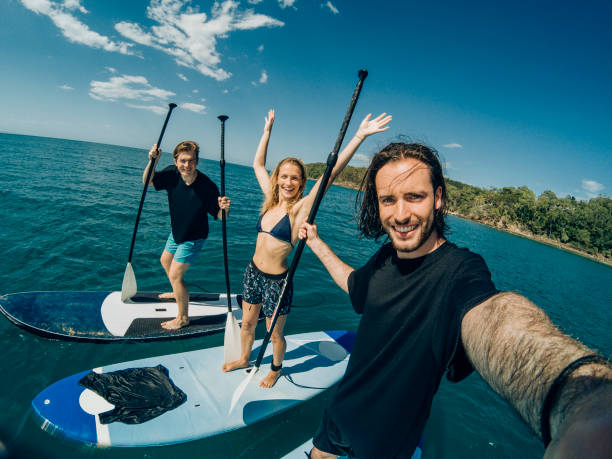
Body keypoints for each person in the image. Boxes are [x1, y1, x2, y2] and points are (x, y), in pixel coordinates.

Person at [298, 142, 612, 458]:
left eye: (414, 197)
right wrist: (315, 242)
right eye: (388, 200)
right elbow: (355, 287)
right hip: (341, 411)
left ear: (437, 198)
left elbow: (494, 321)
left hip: (386, 440)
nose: (401, 214)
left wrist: (578, 401)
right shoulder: (385, 257)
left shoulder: (461, 270)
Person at [222, 109, 392, 388]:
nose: (288, 182)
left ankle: (276, 368)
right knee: (247, 324)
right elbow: (257, 164)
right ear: (277, 178)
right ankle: (244, 358)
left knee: (274, 333)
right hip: (252, 273)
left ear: (302, 183)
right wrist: (266, 133)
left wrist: (359, 135)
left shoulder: (300, 209)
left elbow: (330, 174)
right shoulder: (270, 200)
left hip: (277, 282)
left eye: (295, 178)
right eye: (284, 176)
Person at [144, 140, 230, 330]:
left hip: (194, 236)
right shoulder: (172, 174)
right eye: (183, 160)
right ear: (176, 161)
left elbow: (219, 216)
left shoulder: (207, 186)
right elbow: (148, 181)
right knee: (165, 261)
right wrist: (153, 161)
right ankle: (177, 292)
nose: (187, 165)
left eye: (191, 160)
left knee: (175, 274)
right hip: (177, 231)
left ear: (197, 161)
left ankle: (183, 318)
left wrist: (224, 209)